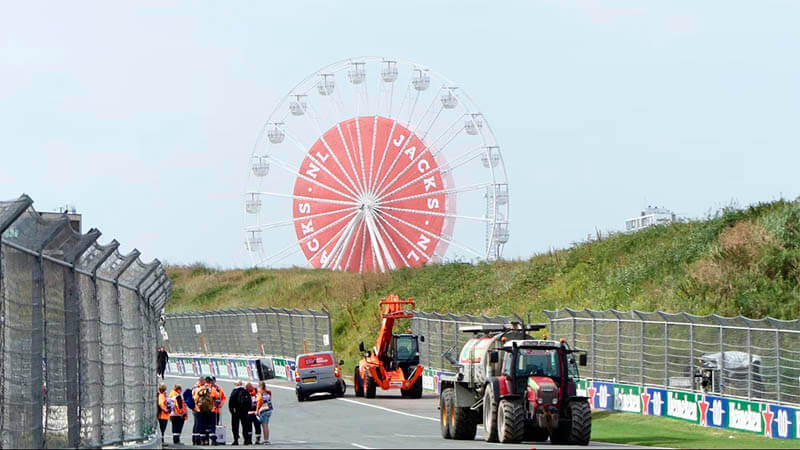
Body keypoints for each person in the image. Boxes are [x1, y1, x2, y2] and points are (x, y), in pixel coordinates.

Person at [194, 376, 219, 445]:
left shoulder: (199, 389)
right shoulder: (212, 389)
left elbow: (195, 398)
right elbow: (217, 397)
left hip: (201, 410)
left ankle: (203, 440)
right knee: (211, 425)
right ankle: (213, 439)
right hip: (211, 410)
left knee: (202, 425)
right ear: (210, 381)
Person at [228, 380, 251, 445]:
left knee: (235, 426)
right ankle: (246, 440)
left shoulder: (234, 391)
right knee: (245, 426)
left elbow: (231, 402)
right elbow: (249, 401)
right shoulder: (245, 391)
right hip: (244, 412)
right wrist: (247, 410)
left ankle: (236, 440)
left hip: (236, 412)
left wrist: (232, 411)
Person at [190, 376, 206, 445]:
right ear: (201, 381)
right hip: (198, 408)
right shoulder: (197, 388)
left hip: (198, 408)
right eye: (204, 381)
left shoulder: (196, 388)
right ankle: (197, 439)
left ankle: (195, 439)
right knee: (198, 424)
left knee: (197, 423)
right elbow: (196, 398)